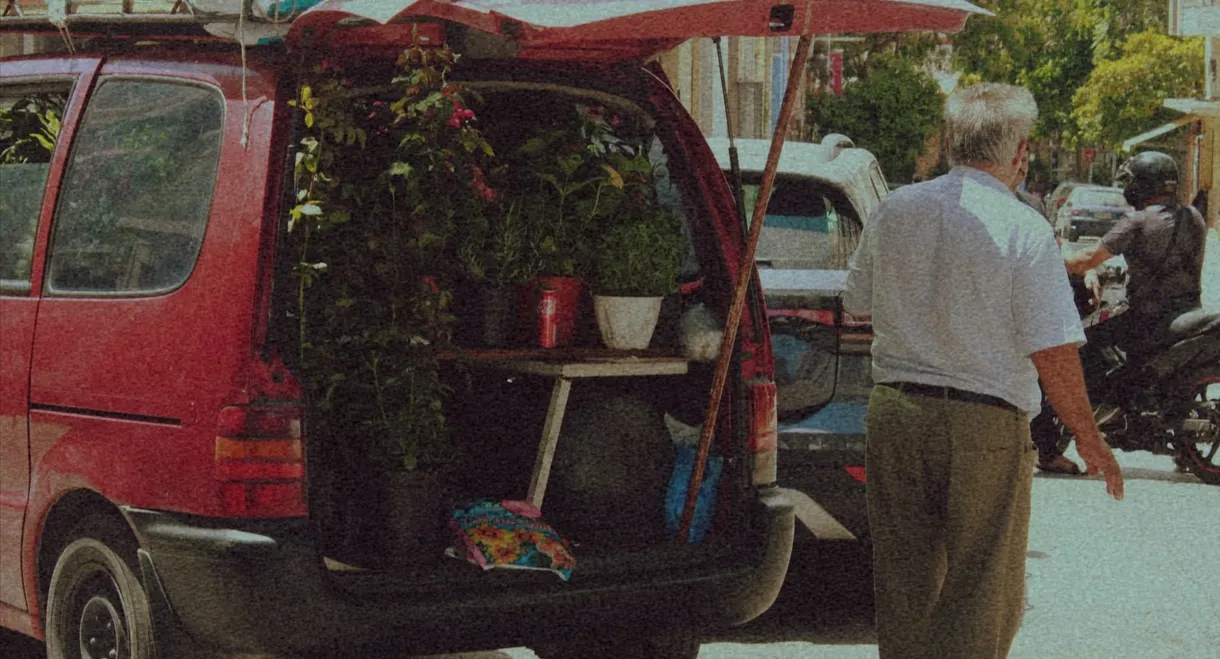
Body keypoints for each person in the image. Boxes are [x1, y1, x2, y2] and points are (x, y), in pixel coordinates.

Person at [845, 82, 1124, 659]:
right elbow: (1053, 351)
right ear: (1019, 153)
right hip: (983, 425)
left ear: (950, 141)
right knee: (983, 587)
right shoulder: (1022, 227)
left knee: (905, 588)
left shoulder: (895, 209)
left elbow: (857, 301)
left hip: (896, 411)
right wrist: (1090, 439)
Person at [1065, 151, 1207, 422]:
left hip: (1148, 317)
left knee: (1085, 339)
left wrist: (1055, 260)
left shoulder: (1137, 221)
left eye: (1131, 181)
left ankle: (1102, 409)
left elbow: (1087, 259)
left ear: (1143, 184)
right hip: (1189, 310)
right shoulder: (1195, 216)